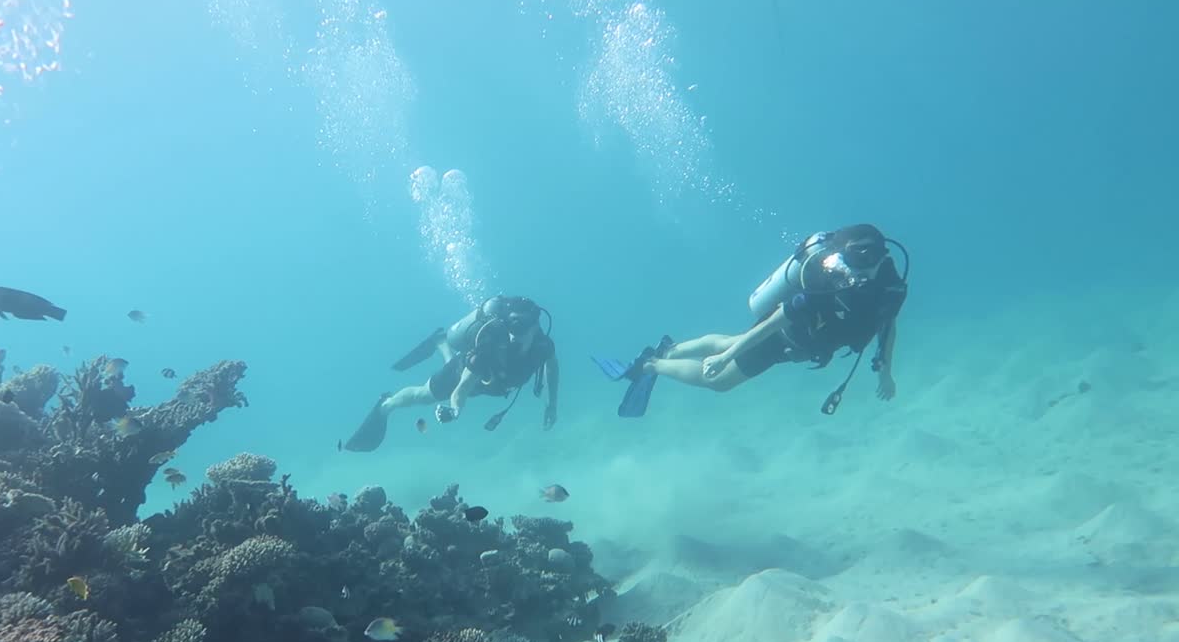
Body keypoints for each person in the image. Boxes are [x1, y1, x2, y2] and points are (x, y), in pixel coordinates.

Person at [594, 224, 908, 417]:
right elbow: (778, 319)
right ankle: (652, 364)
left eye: (867, 262)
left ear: (882, 256)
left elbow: (887, 325)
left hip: (802, 345)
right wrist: (726, 359)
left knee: (730, 342)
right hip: (783, 338)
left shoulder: (891, 286)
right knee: (719, 381)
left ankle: (671, 348)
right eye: (853, 262)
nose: (856, 274)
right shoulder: (827, 280)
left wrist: (886, 374)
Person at [343, 295, 561, 452]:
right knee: (425, 395)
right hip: (467, 374)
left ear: (535, 327)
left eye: (522, 329)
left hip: (493, 383)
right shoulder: (489, 346)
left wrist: (552, 404)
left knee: (454, 369)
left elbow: (552, 367)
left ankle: (440, 341)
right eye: (511, 329)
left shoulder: (543, 346)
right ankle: (386, 405)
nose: (514, 336)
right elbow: (462, 388)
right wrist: (455, 410)